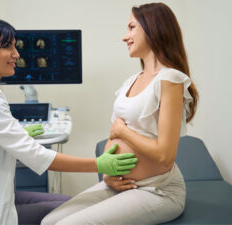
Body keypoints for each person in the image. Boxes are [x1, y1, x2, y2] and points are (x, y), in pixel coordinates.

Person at [0, 17, 138, 225]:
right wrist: (100, 165)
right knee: (72, 212)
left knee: (70, 203)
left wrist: (19, 133)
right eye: (7, 47)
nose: (16, 54)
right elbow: (36, 155)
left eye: (15, 46)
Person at [41, 2, 199, 225]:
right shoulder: (130, 82)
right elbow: (114, 134)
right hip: (119, 185)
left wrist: (122, 132)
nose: (125, 37)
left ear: (153, 28)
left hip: (157, 189)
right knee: (50, 221)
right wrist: (107, 175)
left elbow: (165, 154)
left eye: (131, 27)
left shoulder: (170, 79)